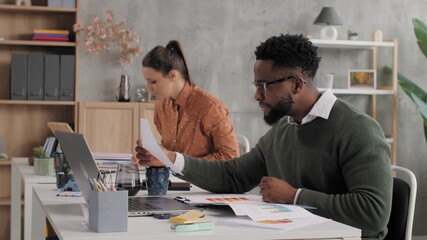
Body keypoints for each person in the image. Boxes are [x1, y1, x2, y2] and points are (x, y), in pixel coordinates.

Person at [135, 34, 392, 239]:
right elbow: (233, 176)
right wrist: (170, 158)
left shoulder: (358, 129)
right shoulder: (284, 128)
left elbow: (373, 213)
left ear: (296, 84)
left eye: (264, 86)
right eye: (256, 85)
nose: (256, 95)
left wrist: (295, 196)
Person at [141, 40, 239, 160]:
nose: (148, 88)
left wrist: (183, 164)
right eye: (147, 81)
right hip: (173, 178)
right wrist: (152, 154)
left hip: (205, 179)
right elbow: (172, 152)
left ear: (172, 75)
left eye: (153, 81)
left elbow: (230, 156)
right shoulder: (161, 107)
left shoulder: (211, 107)